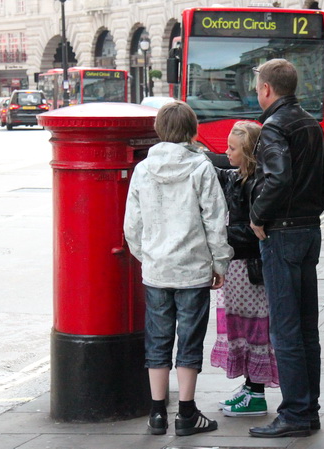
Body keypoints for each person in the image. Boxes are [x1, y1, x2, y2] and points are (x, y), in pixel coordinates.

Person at [124, 101, 234, 436]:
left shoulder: (143, 169)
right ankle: (186, 414)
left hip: (158, 269)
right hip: (193, 269)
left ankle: (157, 414)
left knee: (157, 340)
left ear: (159, 130)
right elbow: (216, 220)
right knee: (189, 340)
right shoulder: (201, 167)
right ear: (191, 130)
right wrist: (220, 263)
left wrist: (148, 256)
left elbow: (133, 224)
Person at [248, 58, 324, 438]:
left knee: (285, 329)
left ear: (267, 89)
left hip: (281, 234)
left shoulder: (273, 126)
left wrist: (257, 215)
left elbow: (278, 178)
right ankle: (308, 408)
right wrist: (309, 213)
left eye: (257, 88)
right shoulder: (310, 124)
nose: (257, 93)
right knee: (306, 329)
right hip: (307, 231)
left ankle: (296, 414)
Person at [211, 121, 279, 417]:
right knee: (241, 330)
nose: (226, 152)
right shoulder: (238, 176)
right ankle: (250, 387)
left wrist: (219, 237)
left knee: (254, 333)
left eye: (232, 148)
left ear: (249, 153)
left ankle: (257, 394)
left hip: (249, 272)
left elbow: (254, 232)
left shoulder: (257, 184)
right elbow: (215, 169)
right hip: (237, 269)